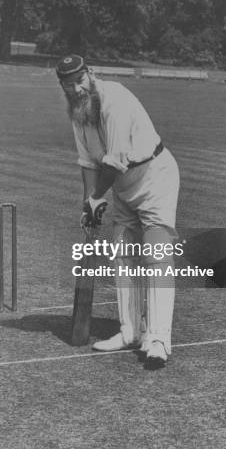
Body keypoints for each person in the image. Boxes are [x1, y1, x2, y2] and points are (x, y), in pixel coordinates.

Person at [56, 55, 180, 368]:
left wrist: (98, 196)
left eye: (80, 80)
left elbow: (113, 163)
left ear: (91, 74)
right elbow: (88, 164)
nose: (77, 88)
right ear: (63, 87)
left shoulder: (115, 99)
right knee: (122, 253)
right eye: (69, 84)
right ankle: (130, 332)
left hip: (155, 178)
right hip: (124, 188)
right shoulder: (77, 113)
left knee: (156, 255)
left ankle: (158, 340)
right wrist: (89, 205)